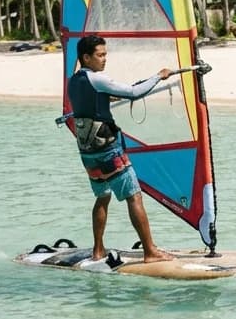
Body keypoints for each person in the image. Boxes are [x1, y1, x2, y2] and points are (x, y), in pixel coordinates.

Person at [68, 35, 176, 264]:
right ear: (86, 57)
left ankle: (98, 250)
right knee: (134, 196)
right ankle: (150, 252)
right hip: (108, 151)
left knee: (103, 196)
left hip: (88, 153)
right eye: (100, 55)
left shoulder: (74, 81)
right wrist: (159, 76)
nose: (104, 59)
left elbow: (94, 100)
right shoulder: (97, 78)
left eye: (105, 54)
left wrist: (111, 96)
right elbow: (134, 92)